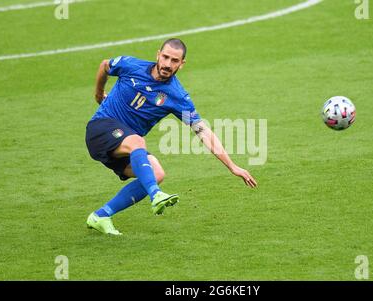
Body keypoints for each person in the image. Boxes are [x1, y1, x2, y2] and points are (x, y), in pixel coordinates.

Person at [85, 38, 257, 235]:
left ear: (181, 64)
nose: (167, 64)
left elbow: (202, 131)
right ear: (158, 54)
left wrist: (232, 166)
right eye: (165, 57)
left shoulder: (177, 97)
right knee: (137, 141)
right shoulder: (131, 65)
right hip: (100, 129)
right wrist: (98, 94)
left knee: (157, 173)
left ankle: (101, 215)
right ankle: (156, 195)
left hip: (124, 146)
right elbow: (105, 65)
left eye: (174, 60)